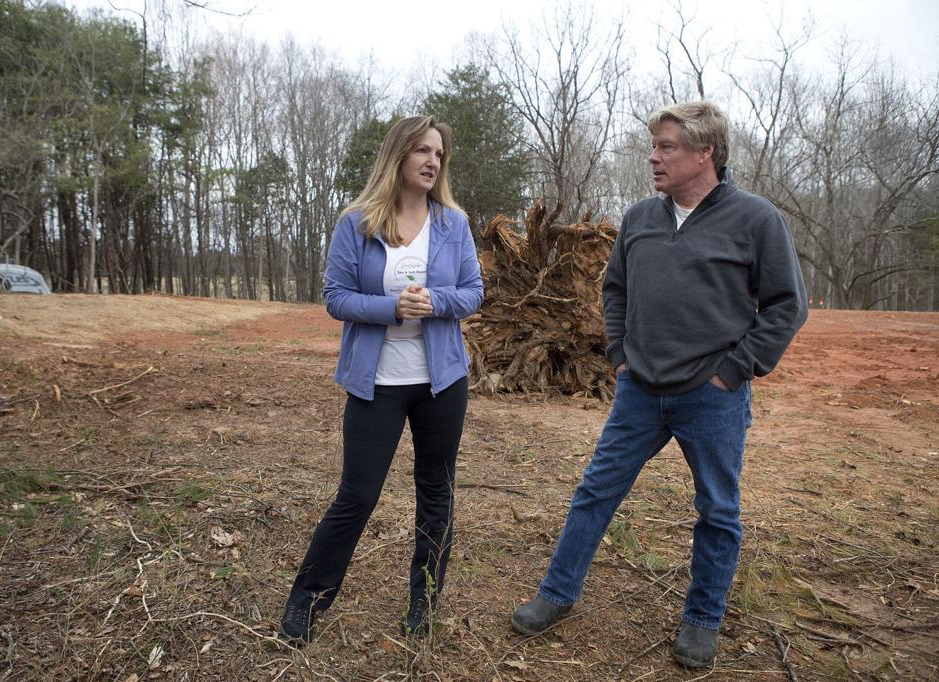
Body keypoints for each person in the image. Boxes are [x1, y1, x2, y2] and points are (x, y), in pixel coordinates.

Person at [510, 101, 807, 669]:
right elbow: (614, 290)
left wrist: (733, 371)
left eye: (667, 147)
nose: (654, 156)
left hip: (711, 394)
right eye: (654, 146)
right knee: (595, 492)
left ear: (706, 153)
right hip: (639, 391)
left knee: (717, 510)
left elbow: (785, 307)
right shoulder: (641, 217)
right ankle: (556, 593)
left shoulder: (756, 219)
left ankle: (702, 621)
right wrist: (620, 355)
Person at [278, 116, 483, 646]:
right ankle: (308, 600)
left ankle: (424, 601)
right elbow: (336, 297)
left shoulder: (452, 223)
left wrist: (437, 301)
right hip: (377, 383)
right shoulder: (357, 222)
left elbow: (473, 292)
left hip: (441, 382)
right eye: (421, 150)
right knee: (357, 494)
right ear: (397, 156)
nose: (432, 161)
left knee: (436, 491)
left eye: (438, 152)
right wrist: (392, 307)